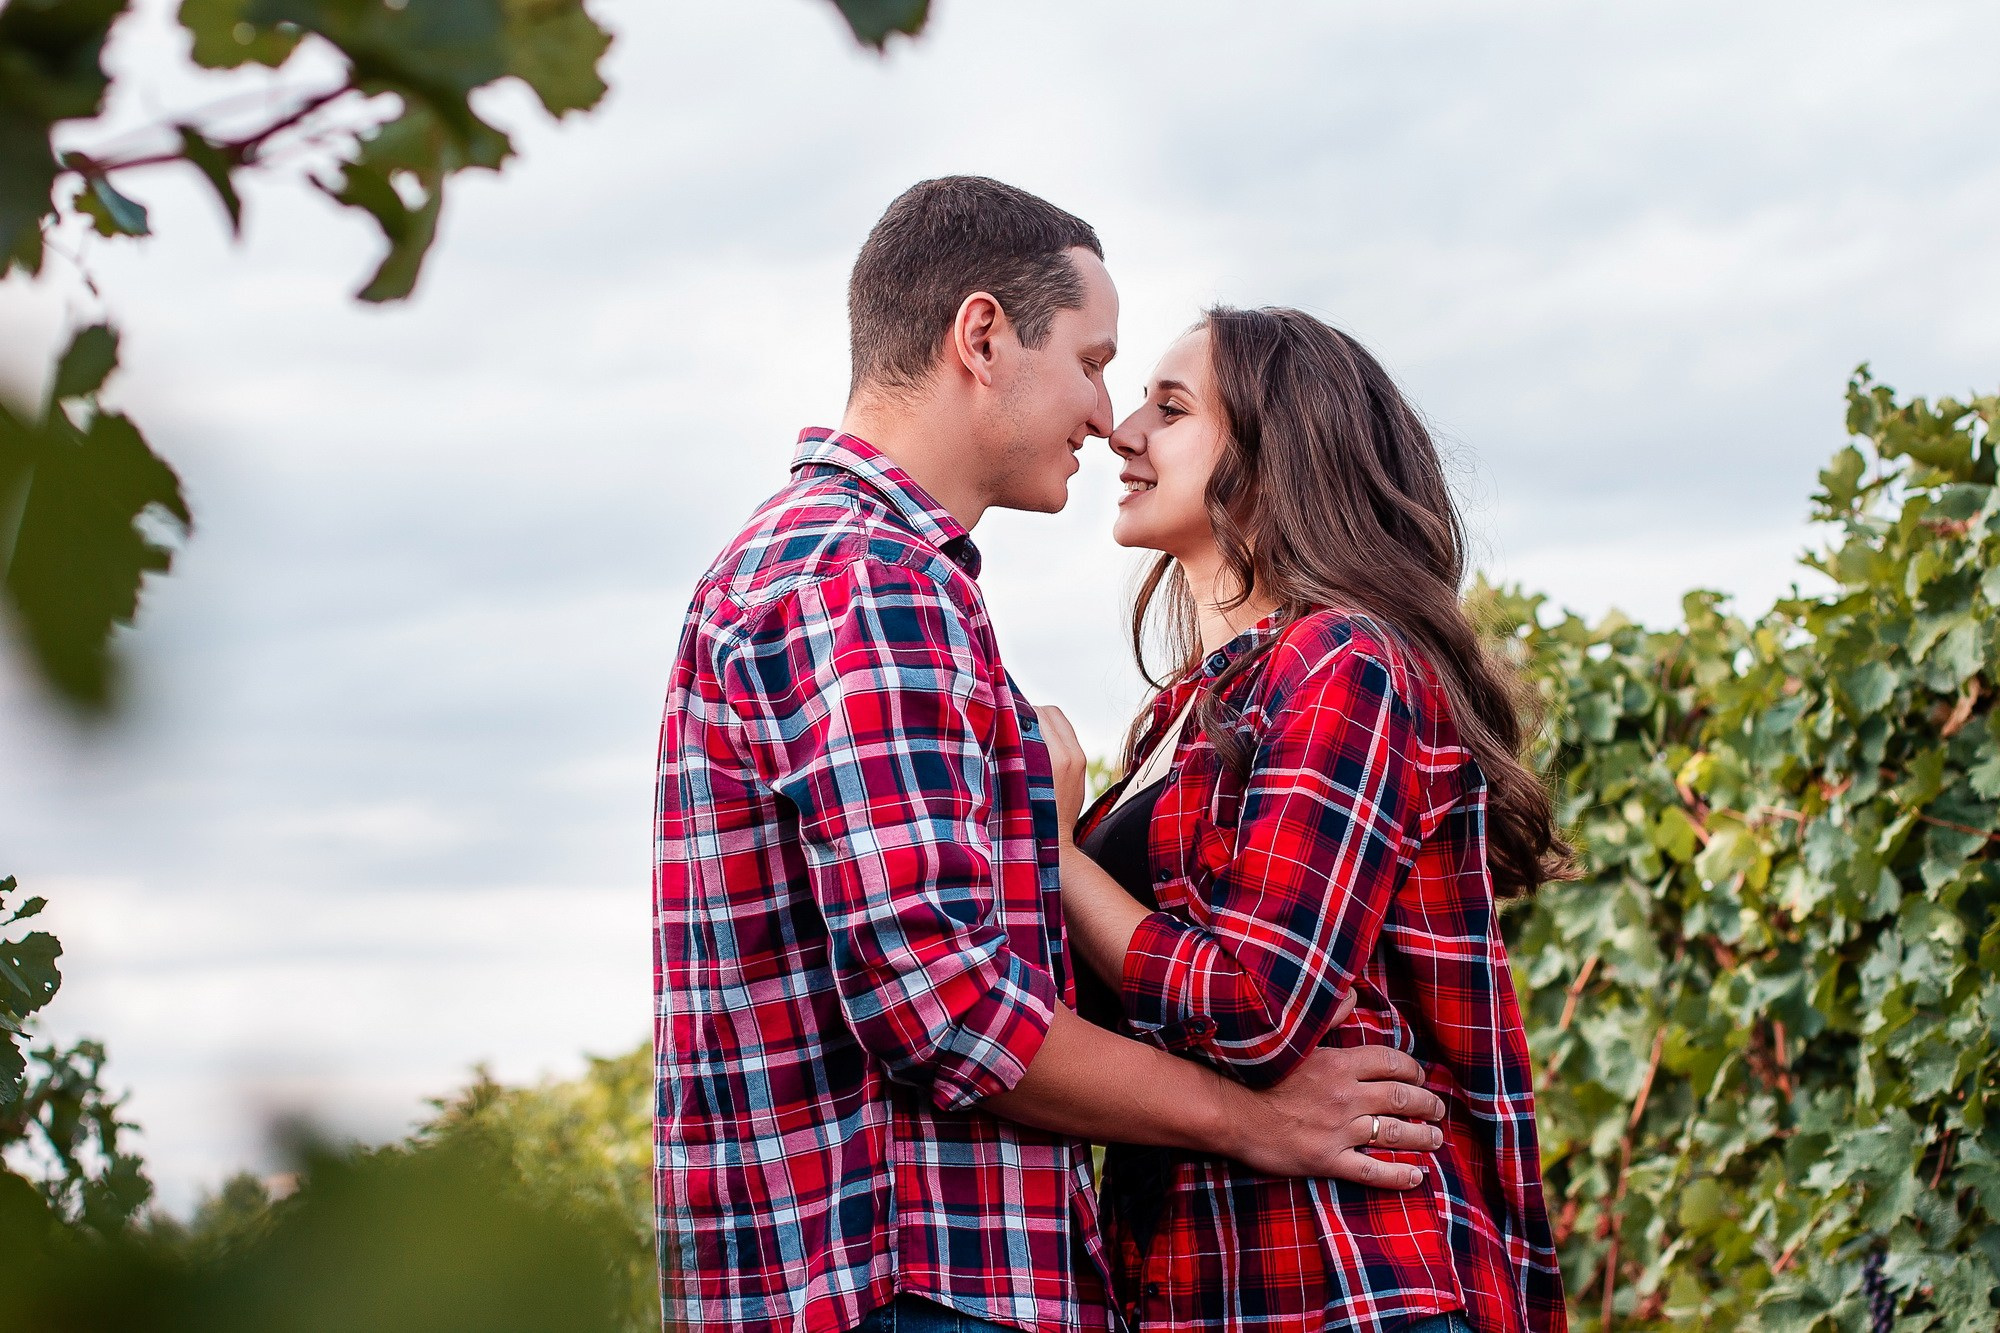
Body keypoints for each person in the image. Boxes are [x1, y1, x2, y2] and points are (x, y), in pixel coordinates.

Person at [653, 182, 1447, 1333]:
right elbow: (948, 1006)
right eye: (1091, 360)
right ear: (981, 337)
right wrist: (1252, 1119)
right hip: (906, 1283)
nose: (1102, 412)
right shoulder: (868, 582)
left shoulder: (848, 572)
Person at [1039, 307, 1571, 1333]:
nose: (1123, 429)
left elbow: (1254, 1004)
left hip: (1349, 1280)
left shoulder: (1338, 665)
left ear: (1275, 460)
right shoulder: (1178, 718)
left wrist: (1056, 860)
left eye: (1172, 406)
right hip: (1208, 1286)